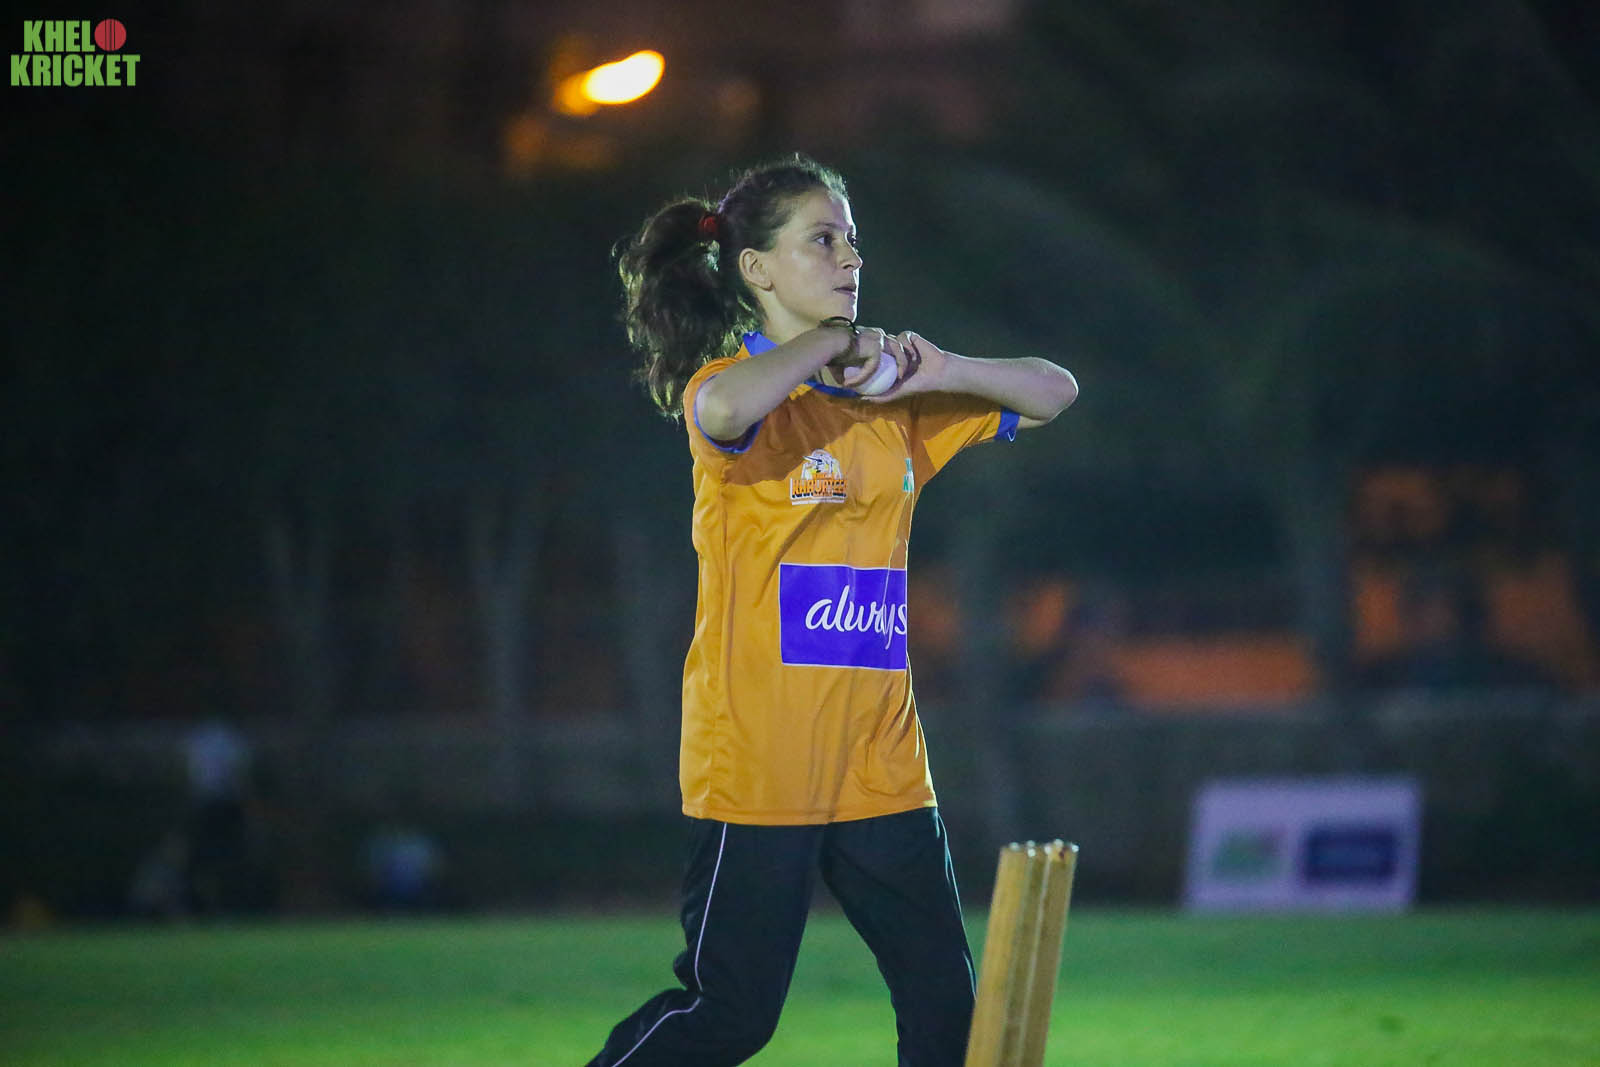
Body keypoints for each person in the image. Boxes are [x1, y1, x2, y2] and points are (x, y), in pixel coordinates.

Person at [588, 154, 1078, 1067]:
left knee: (950, 1015)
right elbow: (721, 405)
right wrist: (832, 343)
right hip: (762, 759)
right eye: (822, 240)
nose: (850, 257)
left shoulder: (893, 406)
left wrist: (938, 366)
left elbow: (1056, 390)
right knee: (733, 1014)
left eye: (852, 239)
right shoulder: (732, 391)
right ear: (757, 269)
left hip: (881, 763)